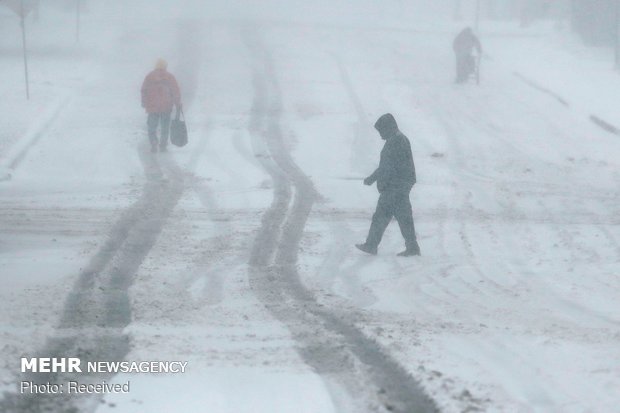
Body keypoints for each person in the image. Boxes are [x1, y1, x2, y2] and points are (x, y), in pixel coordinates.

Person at [356, 114, 421, 257]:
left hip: (395, 186)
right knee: (401, 217)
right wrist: (373, 179)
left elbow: (388, 166)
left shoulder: (397, 141)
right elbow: (387, 165)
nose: (380, 134)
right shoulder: (396, 139)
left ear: (388, 127)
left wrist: (374, 179)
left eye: (381, 130)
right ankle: (411, 247)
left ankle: (372, 245)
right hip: (398, 185)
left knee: (382, 216)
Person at [141, 58, 182, 152]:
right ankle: (163, 144)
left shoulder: (149, 76)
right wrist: (178, 103)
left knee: (152, 126)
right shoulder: (169, 77)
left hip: (152, 107)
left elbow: (144, 90)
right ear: (165, 66)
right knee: (165, 127)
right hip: (166, 106)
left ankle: (154, 142)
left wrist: (144, 102)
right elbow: (175, 91)